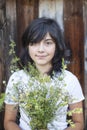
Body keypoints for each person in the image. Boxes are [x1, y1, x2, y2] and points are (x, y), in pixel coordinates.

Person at [4, 17, 84, 130]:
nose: (41, 49)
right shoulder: (17, 79)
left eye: (48, 43)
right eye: (34, 43)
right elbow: (9, 121)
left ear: (57, 46)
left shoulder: (69, 80)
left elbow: (79, 123)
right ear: (28, 46)